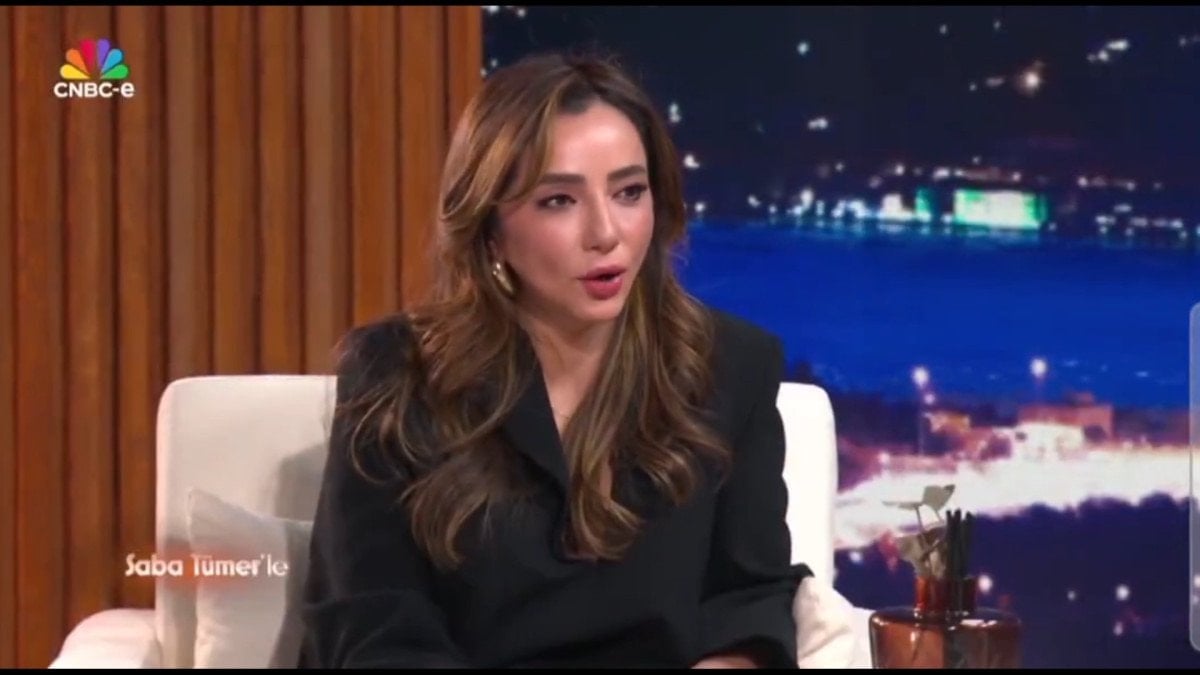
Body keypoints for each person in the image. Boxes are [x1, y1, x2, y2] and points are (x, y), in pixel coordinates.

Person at [297, 50, 811, 669]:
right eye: (559, 201)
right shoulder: (396, 373)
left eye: (629, 192)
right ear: (490, 227)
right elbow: (371, 622)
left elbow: (749, 597)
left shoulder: (733, 367)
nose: (606, 233)